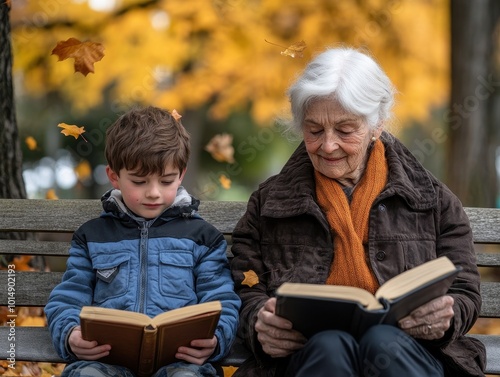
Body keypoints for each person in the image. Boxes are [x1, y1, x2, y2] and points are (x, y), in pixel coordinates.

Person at [230, 47, 486, 377]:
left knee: (382, 342)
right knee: (329, 345)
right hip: (307, 358)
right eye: (315, 130)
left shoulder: (433, 200)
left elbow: (464, 291)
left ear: (376, 125)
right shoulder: (268, 203)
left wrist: (446, 316)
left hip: (409, 353)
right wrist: (258, 322)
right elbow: (245, 287)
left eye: (345, 130)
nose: (328, 145)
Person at [45, 106, 241, 377]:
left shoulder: (203, 238)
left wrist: (216, 340)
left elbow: (222, 299)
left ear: (181, 175)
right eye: (139, 181)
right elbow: (67, 299)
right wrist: (70, 335)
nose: (153, 193)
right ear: (114, 176)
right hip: (107, 363)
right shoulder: (92, 237)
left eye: (166, 181)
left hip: (181, 364)